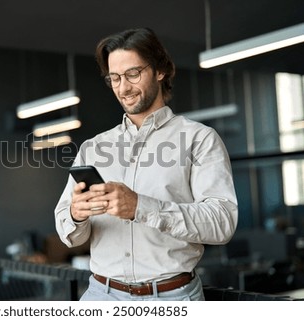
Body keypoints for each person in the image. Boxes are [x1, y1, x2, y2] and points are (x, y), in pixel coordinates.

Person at [54, 27, 238, 301]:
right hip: (100, 295)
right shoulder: (93, 148)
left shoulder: (199, 139)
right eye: (114, 78)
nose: (123, 88)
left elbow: (222, 222)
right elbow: (69, 233)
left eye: (133, 74)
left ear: (160, 70)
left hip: (171, 297)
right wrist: (76, 215)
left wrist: (142, 207)